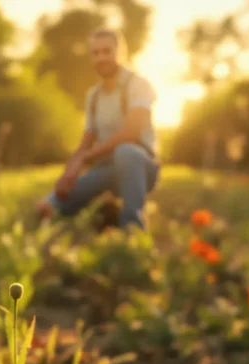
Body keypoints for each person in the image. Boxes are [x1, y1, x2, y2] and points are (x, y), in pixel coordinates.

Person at [37, 27, 160, 230]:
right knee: (55, 205)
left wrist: (86, 158)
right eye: (95, 53)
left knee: (126, 152)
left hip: (140, 167)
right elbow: (85, 142)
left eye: (107, 51)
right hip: (105, 170)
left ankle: (132, 227)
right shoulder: (93, 96)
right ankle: (52, 207)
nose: (101, 57)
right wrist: (68, 173)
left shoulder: (138, 84)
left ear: (121, 53)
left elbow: (130, 133)